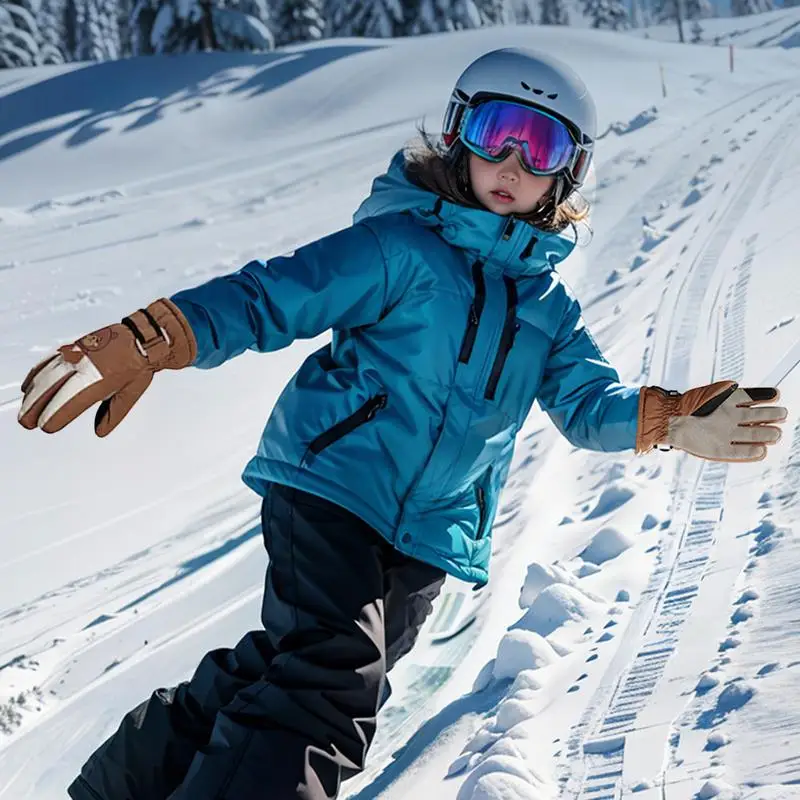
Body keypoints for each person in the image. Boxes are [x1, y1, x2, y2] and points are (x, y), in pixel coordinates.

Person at [17, 47, 787, 800]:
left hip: (429, 535)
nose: (513, 161)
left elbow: (590, 409)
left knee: (292, 667)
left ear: (569, 172)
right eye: (496, 133)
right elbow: (273, 296)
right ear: (459, 135)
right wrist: (155, 338)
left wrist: (671, 419)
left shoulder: (548, 312)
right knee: (327, 687)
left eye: (542, 144)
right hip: (333, 488)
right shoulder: (400, 246)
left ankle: (122, 783)